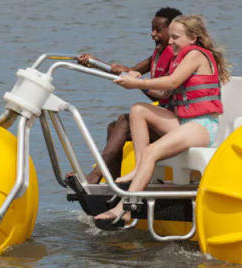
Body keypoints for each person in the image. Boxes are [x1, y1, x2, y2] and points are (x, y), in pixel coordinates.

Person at [94, 14, 231, 228]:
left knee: (152, 151)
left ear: (193, 38)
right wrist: (136, 79)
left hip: (202, 125)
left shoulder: (195, 55)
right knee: (138, 110)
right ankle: (140, 168)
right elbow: (165, 92)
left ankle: (125, 208)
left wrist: (137, 84)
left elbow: (173, 81)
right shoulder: (183, 56)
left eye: (175, 37)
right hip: (183, 121)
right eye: (171, 37)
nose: (170, 41)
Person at [68, 7, 182, 184]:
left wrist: (136, 81)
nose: (152, 34)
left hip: (176, 123)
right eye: (151, 29)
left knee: (124, 121)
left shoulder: (178, 57)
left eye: (158, 30)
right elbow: (127, 73)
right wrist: (94, 62)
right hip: (162, 117)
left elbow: (159, 93)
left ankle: (95, 176)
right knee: (113, 128)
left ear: (174, 31)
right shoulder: (157, 56)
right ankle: (113, 185)